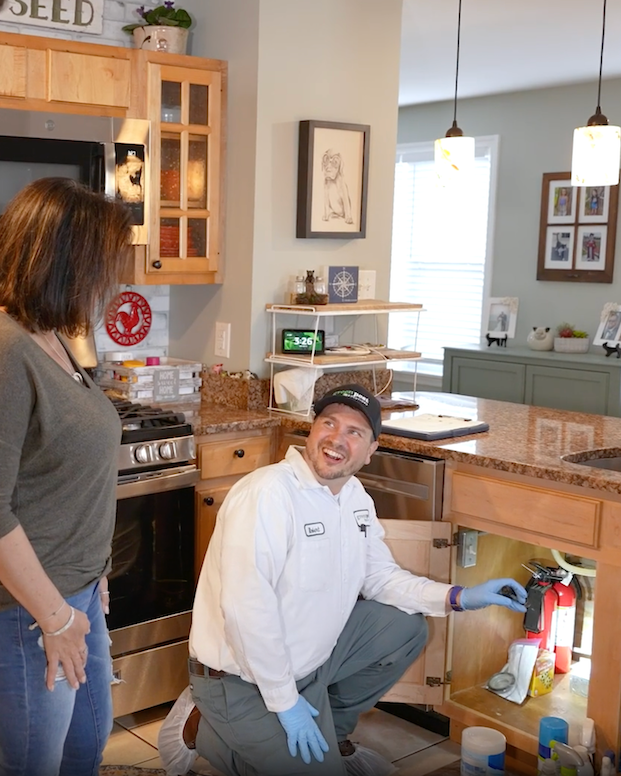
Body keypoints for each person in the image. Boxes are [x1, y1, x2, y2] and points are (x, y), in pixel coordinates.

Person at [159, 384, 527, 776]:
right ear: (312, 429)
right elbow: (245, 611)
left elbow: (380, 576)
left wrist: (459, 596)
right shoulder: (267, 494)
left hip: (309, 668)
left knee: (404, 626)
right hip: (237, 679)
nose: (337, 438)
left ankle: (328, 732)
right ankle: (198, 727)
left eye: (355, 432)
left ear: (371, 451)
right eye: (329, 423)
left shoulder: (353, 497)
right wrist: (285, 703)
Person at [0, 178, 134, 776]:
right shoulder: (7, 351)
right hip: (29, 613)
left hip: (78, 598)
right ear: (64, 260)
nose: (110, 281)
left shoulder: (55, 336)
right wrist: (54, 619)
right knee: (37, 765)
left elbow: (61, 477)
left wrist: (96, 574)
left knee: (85, 751)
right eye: (102, 264)